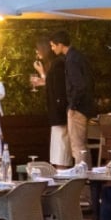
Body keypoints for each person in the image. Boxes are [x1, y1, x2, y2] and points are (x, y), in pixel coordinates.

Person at [50, 31, 95, 168]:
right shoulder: (79, 56)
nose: (52, 49)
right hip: (86, 106)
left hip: (78, 108)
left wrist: (72, 106)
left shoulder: (71, 60)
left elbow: (79, 85)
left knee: (77, 145)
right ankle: (87, 173)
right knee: (83, 145)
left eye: (53, 45)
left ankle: (81, 175)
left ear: (60, 44)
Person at [32, 36, 70, 167]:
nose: (37, 52)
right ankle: (60, 170)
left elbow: (58, 86)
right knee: (58, 146)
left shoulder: (58, 64)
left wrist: (42, 73)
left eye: (38, 49)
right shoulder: (54, 64)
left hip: (59, 112)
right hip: (56, 113)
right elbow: (52, 83)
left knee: (61, 145)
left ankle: (62, 172)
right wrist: (43, 79)